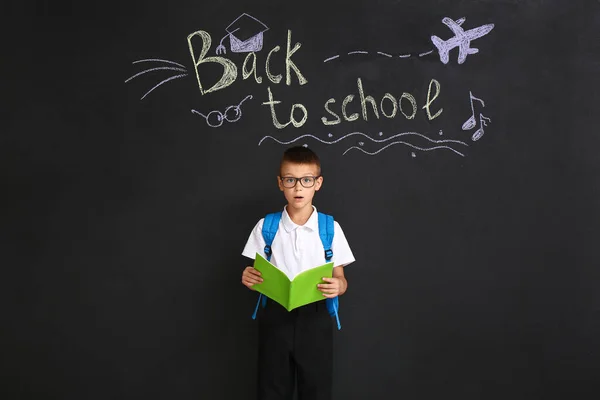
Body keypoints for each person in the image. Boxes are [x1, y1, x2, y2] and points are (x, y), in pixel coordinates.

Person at [241, 146, 355, 400]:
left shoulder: (330, 228)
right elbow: (254, 272)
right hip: (275, 316)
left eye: (306, 180)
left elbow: (341, 278)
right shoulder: (266, 226)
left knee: (316, 389)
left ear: (318, 183)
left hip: (315, 319)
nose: (298, 188)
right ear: (280, 183)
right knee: (272, 388)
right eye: (290, 180)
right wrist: (249, 277)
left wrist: (339, 286)